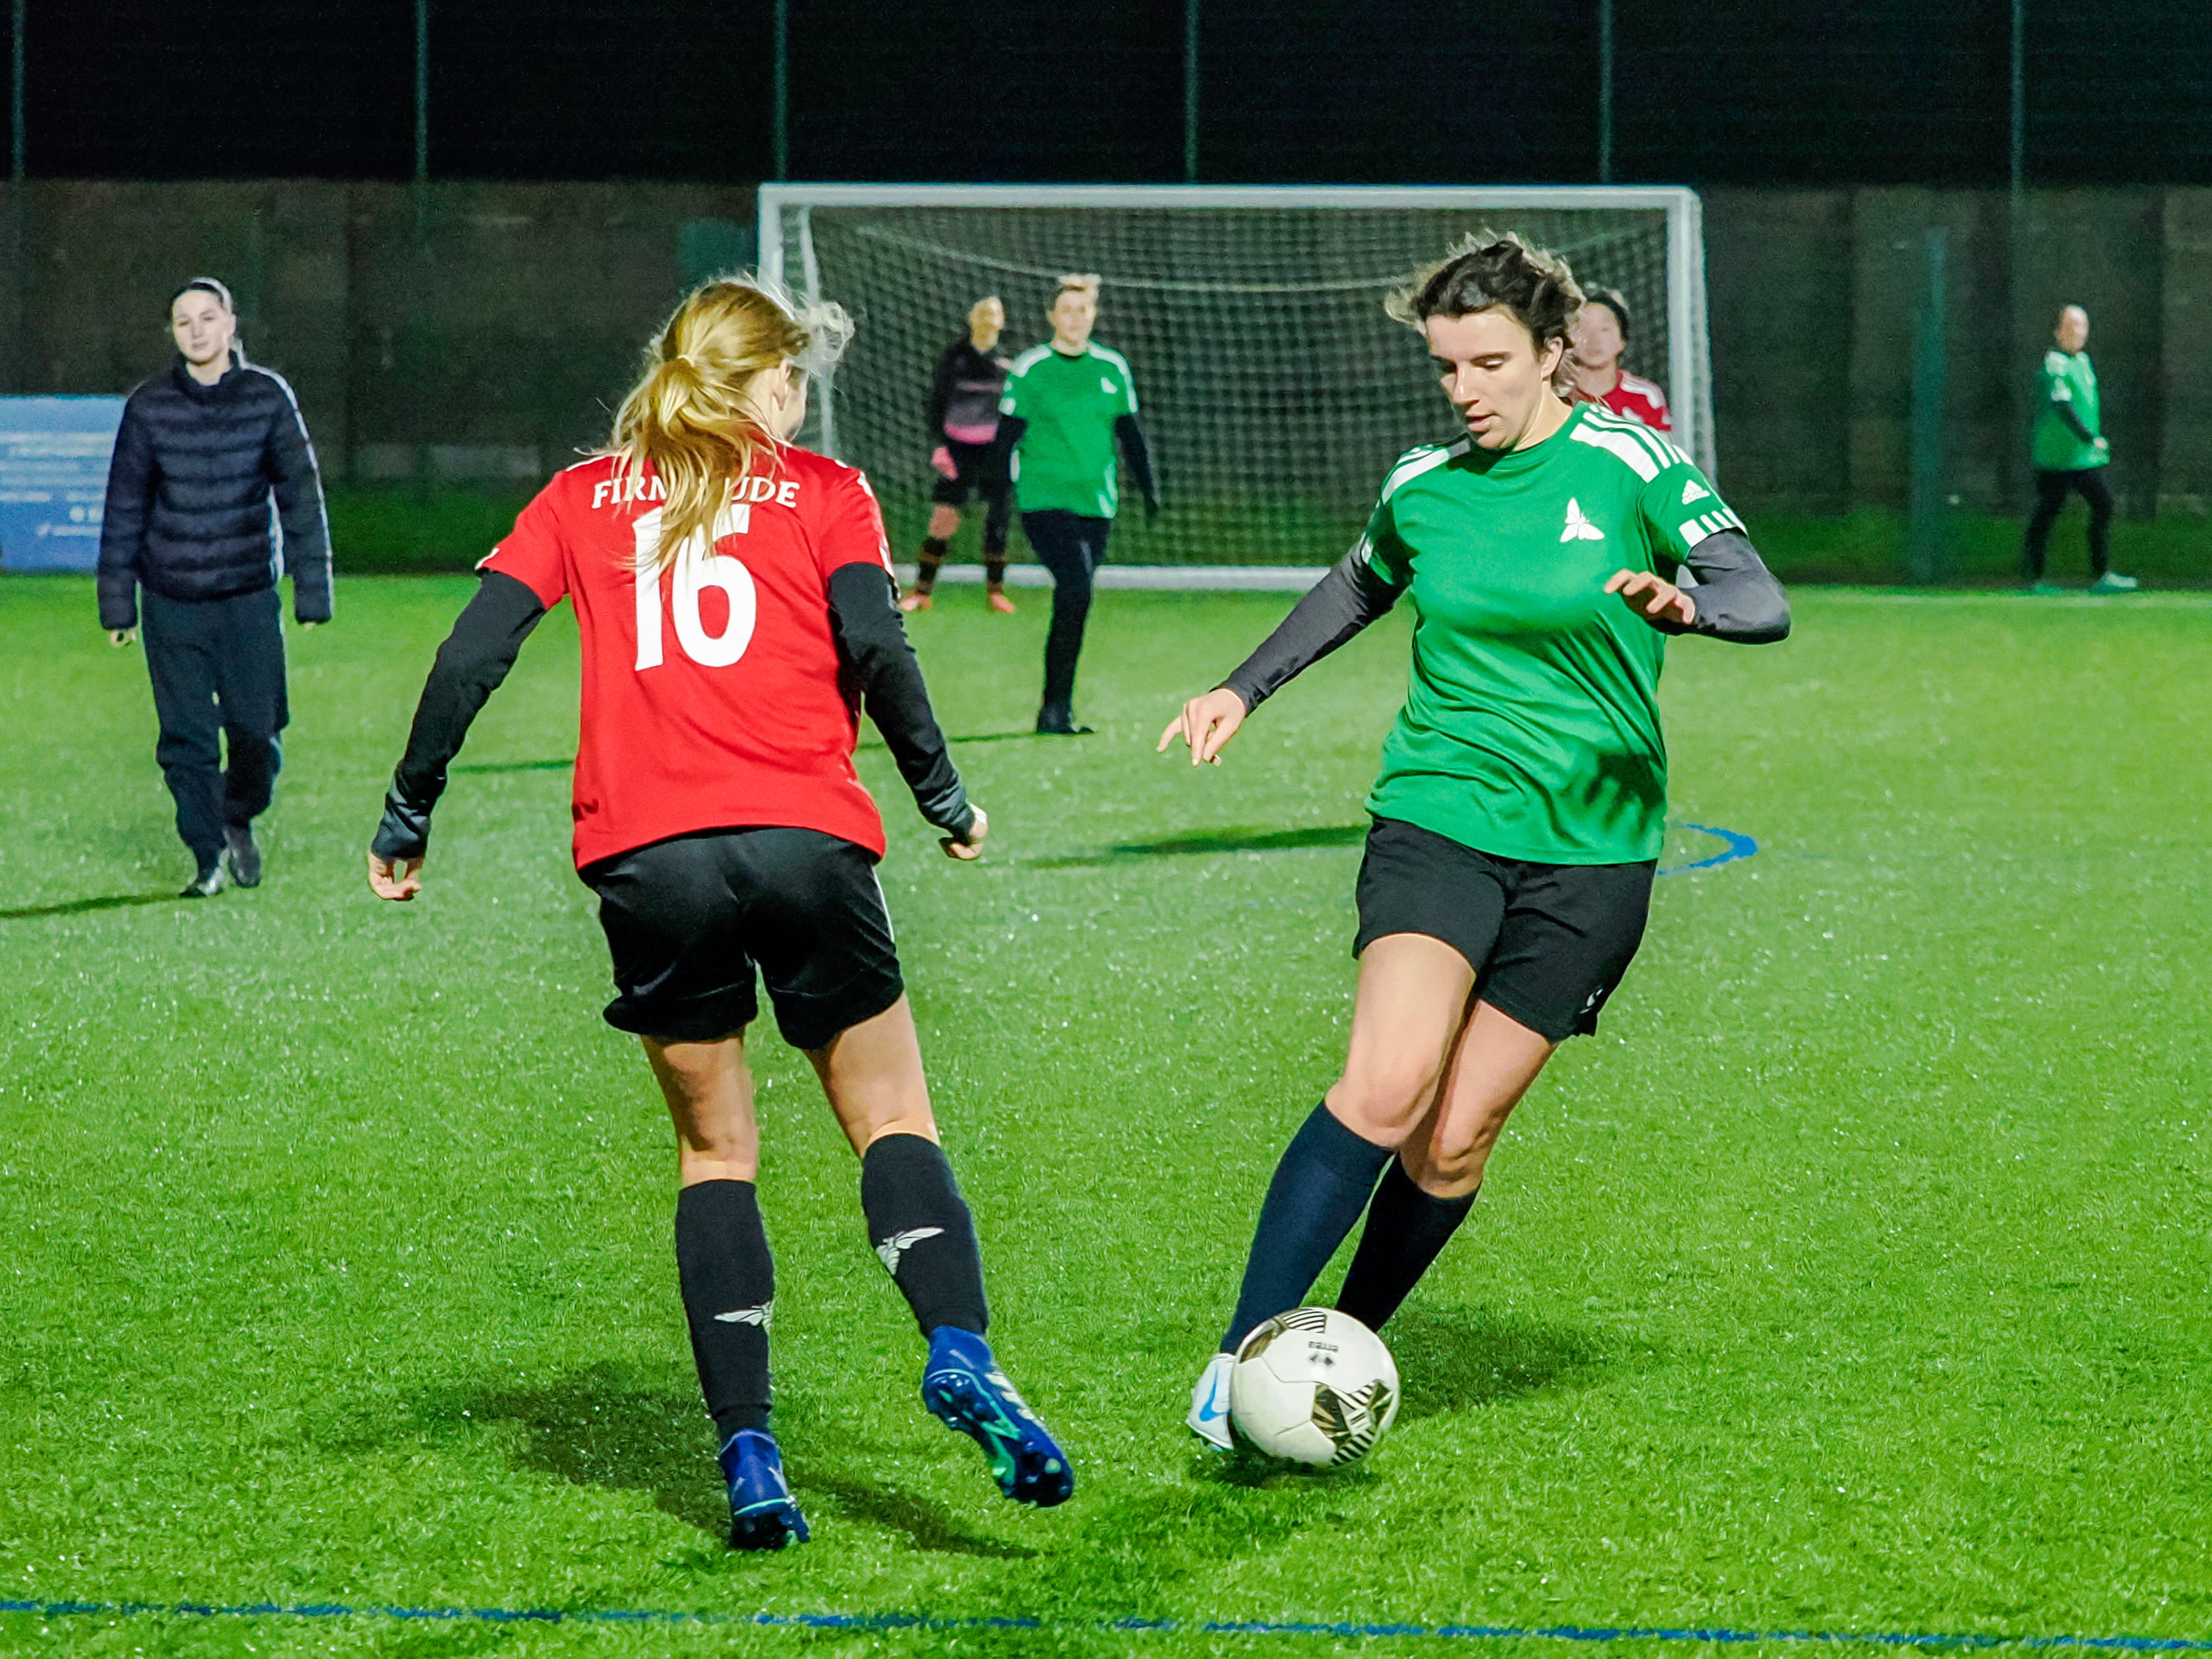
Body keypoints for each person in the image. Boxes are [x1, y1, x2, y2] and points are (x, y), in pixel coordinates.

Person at [364, 276, 1072, 1549]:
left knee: (715, 1155)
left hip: (648, 860)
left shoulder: (582, 497)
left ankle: (751, 1457)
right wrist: (942, 795)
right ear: (774, 385)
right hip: (805, 838)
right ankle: (958, 1347)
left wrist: (408, 812)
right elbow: (877, 642)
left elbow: (472, 650)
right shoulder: (821, 489)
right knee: (892, 1116)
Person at [1157, 234, 1790, 1451]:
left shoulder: (1630, 464)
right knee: (1387, 1087)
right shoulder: (1423, 483)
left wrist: (1686, 605)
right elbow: (1354, 584)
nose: (1463, 390)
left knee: (1452, 1144)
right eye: (1446, 366)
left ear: (1554, 357)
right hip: (1439, 815)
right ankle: (1240, 1363)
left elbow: (1758, 597)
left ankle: (1334, 1353)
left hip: (1594, 851)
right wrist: (1242, 687)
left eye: (1488, 363)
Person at [96, 276, 332, 897]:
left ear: (230, 325)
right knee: (187, 739)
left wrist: (313, 590)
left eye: (207, 317)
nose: (196, 330)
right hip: (172, 600)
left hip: (248, 598)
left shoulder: (267, 397)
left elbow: (301, 496)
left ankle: (238, 813)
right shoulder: (148, 406)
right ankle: (206, 855)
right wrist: (118, 603)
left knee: (258, 730)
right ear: (174, 334)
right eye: (183, 321)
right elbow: (124, 507)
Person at [995, 274, 1159, 734]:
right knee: (1076, 589)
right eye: (1066, 310)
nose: (1074, 318)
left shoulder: (1111, 368)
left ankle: (1058, 708)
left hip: (1097, 505)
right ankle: (1054, 709)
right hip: (1044, 500)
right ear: (1052, 316)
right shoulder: (1031, 369)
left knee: (1076, 598)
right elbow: (1005, 438)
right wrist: (994, 503)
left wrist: (1149, 489)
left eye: (1082, 310)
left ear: (1093, 315)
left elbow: (1130, 434)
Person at [903, 296, 1017, 615]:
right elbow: (936, 403)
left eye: (994, 314)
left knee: (997, 520)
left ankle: (996, 592)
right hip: (957, 449)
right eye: (982, 312)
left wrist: (1015, 444)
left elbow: (1019, 409)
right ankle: (921, 592)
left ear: (1002, 321)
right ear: (970, 318)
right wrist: (940, 445)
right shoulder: (954, 358)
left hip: (996, 452)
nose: (987, 318)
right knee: (943, 519)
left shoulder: (1011, 360)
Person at [2025, 305, 2135, 593]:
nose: (2077, 332)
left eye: (2082, 326)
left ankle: (2101, 576)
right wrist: (2089, 437)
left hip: (2082, 459)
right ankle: (2034, 579)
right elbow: (2063, 406)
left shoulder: (2084, 362)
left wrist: (2092, 444)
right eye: (2071, 326)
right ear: (2058, 331)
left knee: (2103, 505)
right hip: (2058, 458)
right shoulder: (2055, 364)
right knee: (2048, 512)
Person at [1567, 287, 1671, 432]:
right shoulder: (1556, 395)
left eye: (1604, 329)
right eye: (1582, 329)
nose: (1594, 339)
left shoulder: (1645, 396)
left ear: (1622, 340)